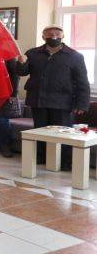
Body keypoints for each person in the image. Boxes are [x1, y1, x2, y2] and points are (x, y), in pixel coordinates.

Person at [16, 25, 90, 170]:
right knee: (40, 132)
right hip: (38, 100)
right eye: (49, 34)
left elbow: (82, 82)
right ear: (43, 37)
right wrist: (21, 62)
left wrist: (82, 104)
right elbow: (22, 72)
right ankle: (41, 157)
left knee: (64, 134)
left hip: (63, 102)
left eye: (57, 34)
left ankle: (66, 163)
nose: (54, 36)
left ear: (63, 36)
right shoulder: (33, 53)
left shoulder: (75, 56)